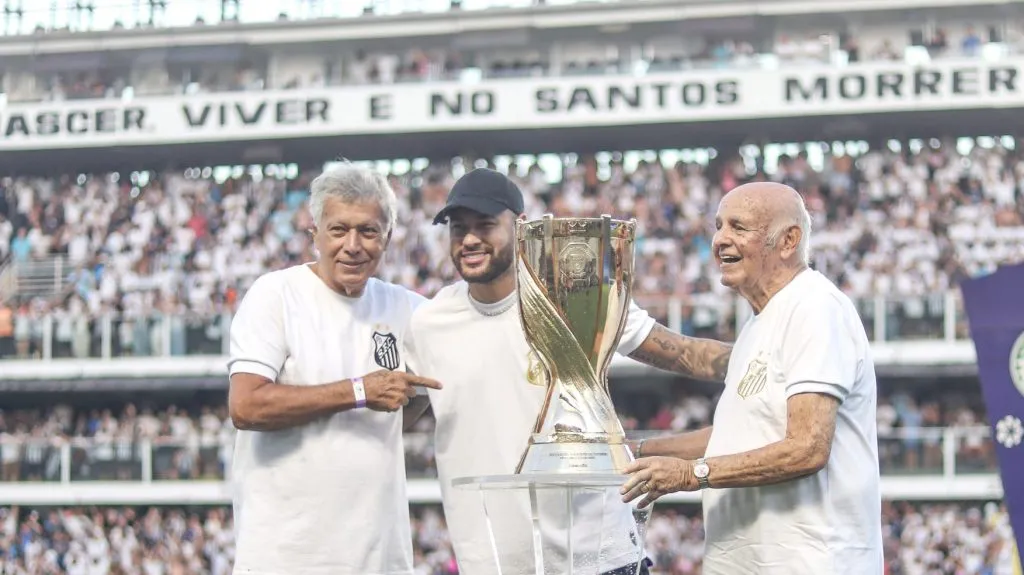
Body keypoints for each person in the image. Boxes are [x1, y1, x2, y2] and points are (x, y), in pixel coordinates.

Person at [404, 168, 733, 575]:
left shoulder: (575, 296)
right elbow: (400, 414)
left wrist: (768, 359)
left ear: (520, 226)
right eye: (459, 229)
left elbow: (682, 353)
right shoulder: (429, 322)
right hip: (492, 561)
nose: (470, 239)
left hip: (597, 554)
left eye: (485, 225)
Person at [620, 182, 883, 574]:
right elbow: (737, 435)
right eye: (719, 225)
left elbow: (808, 447)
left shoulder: (815, 307)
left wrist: (692, 474)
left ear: (788, 240)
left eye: (738, 227)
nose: (720, 239)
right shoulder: (762, 322)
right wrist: (638, 452)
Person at [226, 163, 442, 575]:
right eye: (339, 230)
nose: (353, 245)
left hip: (382, 561)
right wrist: (360, 390)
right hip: (286, 560)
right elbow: (246, 406)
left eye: (368, 231)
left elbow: (417, 399)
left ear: (388, 238)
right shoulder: (276, 295)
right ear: (315, 234)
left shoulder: (408, 309)